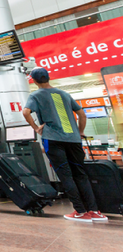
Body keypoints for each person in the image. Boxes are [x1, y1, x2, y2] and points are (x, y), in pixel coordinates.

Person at [23, 67, 107, 222]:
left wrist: (36, 128)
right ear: (48, 77)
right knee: (80, 174)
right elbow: (81, 114)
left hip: (53, 139)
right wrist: (80, 132)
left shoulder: (35, 95)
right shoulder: (64, 94)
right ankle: (94, 211)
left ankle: (80, 211)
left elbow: (26, 112)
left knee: (66, 175)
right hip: (73, 139)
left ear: (34, 81)